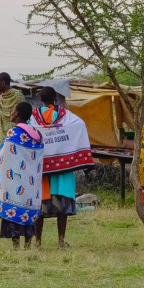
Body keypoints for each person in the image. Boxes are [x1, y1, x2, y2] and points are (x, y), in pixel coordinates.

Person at [30, 87, 94, 249]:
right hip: (63, 168)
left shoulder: (33, 117)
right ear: (56, 99)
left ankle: (38, 242)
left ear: (40, 99)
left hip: (42, 170)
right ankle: (60, 241)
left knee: (40, 207)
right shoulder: (66, 116)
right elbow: (80, 125)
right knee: (62, 207)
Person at [0, 102, 44, 249]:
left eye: (13, 110)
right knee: (27, 212)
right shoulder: (37, 134)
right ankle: (28, 245)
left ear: (17, 114)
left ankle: (16, 245)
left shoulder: (14, 133)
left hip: (15, 181)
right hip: (31, 183)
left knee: (14, 208)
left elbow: (5, 156)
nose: (11, 113)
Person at [0, 72, 26, 172]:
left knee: (12, 166)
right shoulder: (1, 96)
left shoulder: (17, 95)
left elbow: (24, 113)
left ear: (3, 83)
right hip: (1, 132)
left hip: (15, 133)